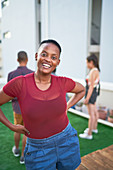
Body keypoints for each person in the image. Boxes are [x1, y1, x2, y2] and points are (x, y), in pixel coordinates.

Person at [0, 39, 85, 170]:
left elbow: (82, 90)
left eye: (54, 57)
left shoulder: (62, 82)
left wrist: (67, 106)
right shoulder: (20, 84)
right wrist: (11, 126)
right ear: (36, 56)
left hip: (67, 141)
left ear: (58, 62)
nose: (48, 60)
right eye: (44, 54)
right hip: (38, 149)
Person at [7, 51, 33, 164]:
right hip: (29, 108)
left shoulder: (11, 74)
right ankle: (23, 156)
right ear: (27, 60)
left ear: (18, 60)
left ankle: (17, 150)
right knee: (26, 132)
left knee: (17, 129)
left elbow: (8, 93)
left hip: (17, 107)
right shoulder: (32, 74)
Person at [79, 54, 100, 140]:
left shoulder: (93, 71)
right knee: (95, 112)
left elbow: (91, 86)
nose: (87, 65)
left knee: (91, 115)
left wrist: (87, 98)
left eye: (87, 63)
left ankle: (89, 134)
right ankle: (94, 128)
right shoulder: (96, 70)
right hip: (94, 93)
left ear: (91, 62)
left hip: (91, 93)